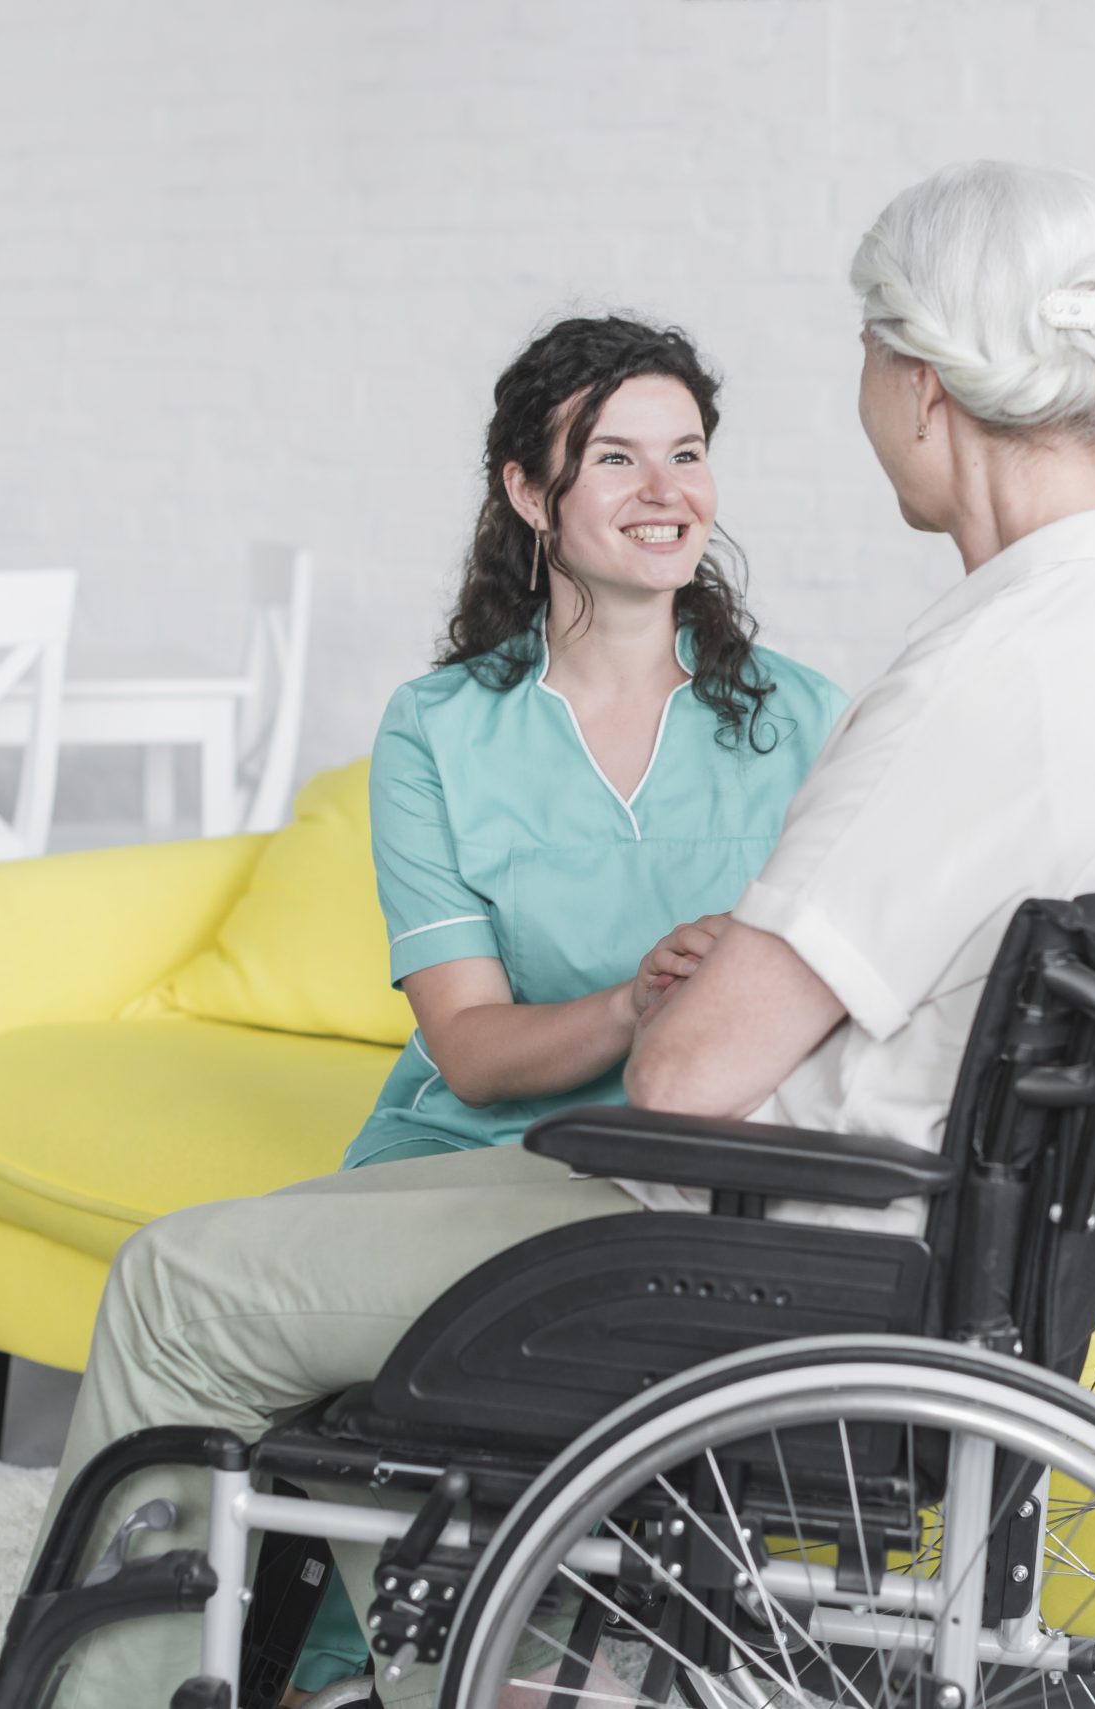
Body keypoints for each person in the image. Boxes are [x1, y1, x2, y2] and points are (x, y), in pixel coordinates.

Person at [10, 160, 1095, 1709]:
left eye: (867, 359)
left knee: (174, 1287)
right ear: (534, 496)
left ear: (923, 387)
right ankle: (481, 1661)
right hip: (915, 1241)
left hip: (755, 1249)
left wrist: (694, 995)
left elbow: (680, 1080)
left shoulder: (967, 681)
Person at [287, 315, 846, 1698]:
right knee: (341, 1415)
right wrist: (636, 995)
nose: (669, 493)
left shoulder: (803, 721)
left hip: (676, 1169)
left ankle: (470, 1663)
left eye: (689, 454)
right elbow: (471, 1052)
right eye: (616, 458)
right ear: (530, 494)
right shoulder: (439, 727)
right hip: (462, 1152)